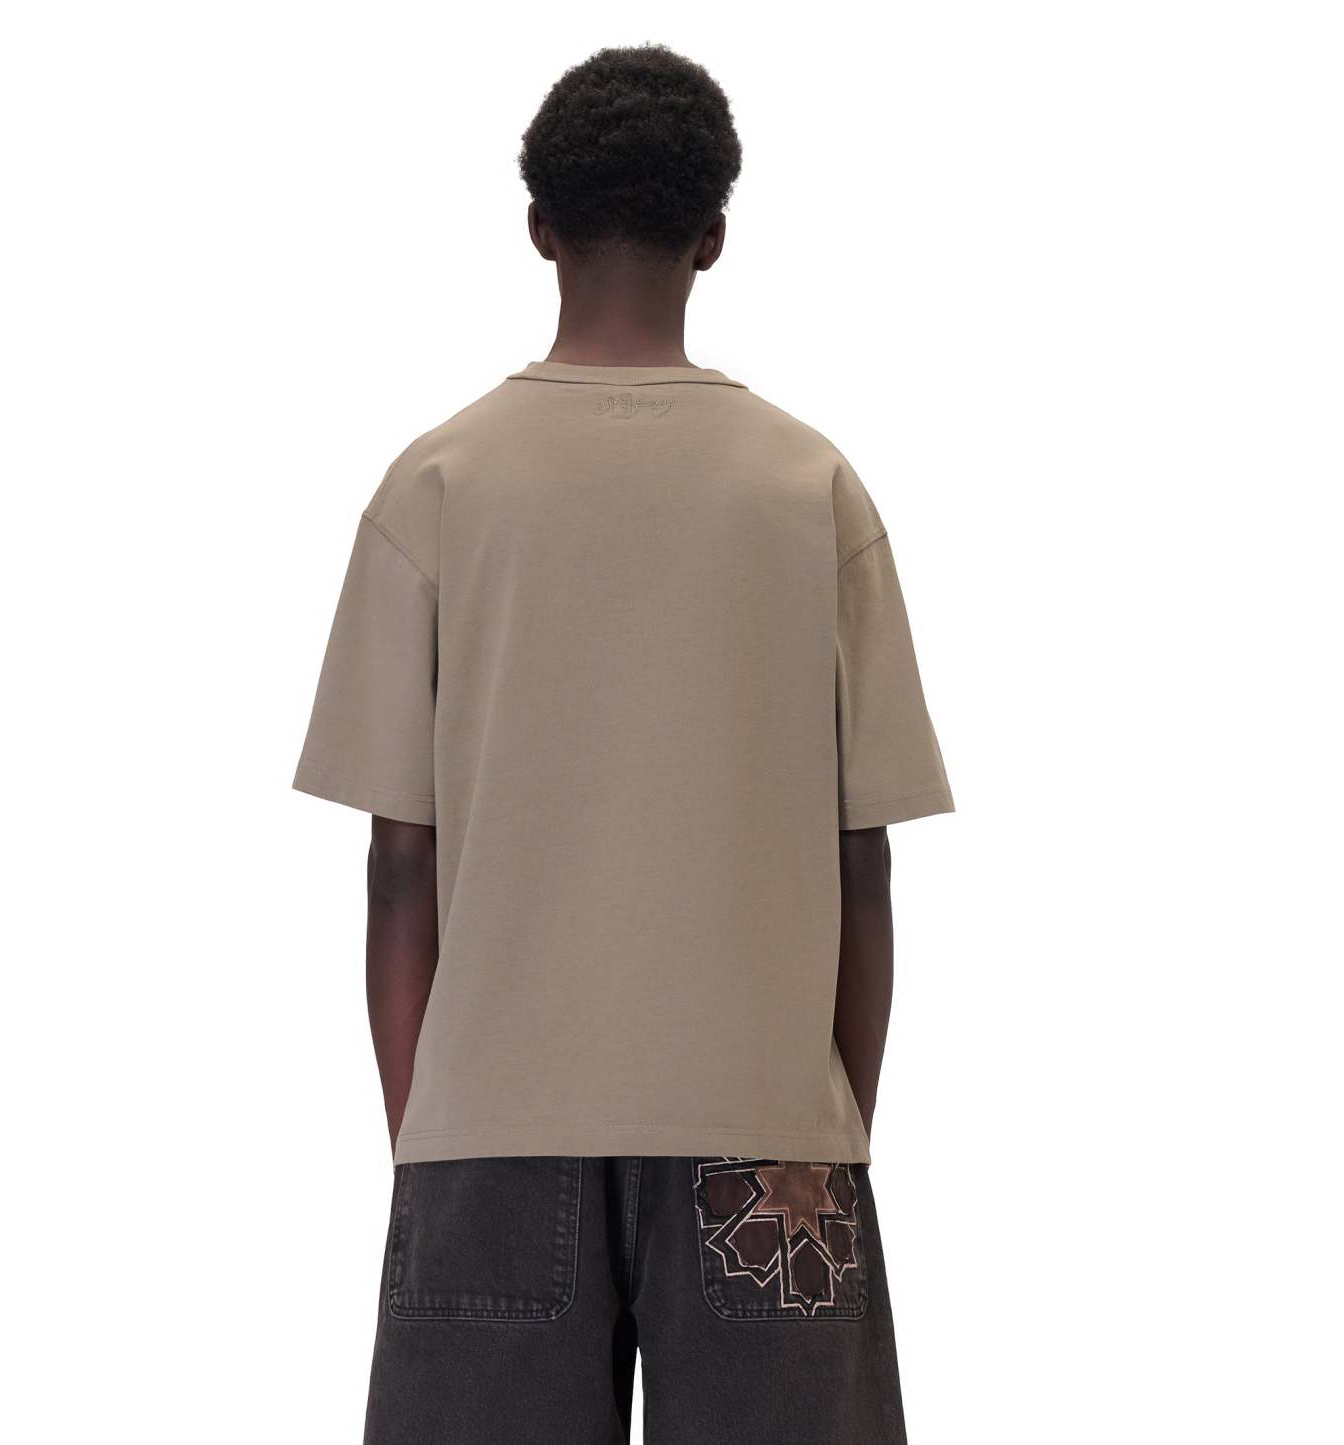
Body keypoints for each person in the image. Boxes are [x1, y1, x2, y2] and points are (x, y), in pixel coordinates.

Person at [294, 43, 952, 1445]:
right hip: (767, 1136)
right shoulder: (810, 489)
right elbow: (865, 865)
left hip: (488, 1127)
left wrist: (432, 1129)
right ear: (713, 235)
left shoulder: (438, 484)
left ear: (537, 226)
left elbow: (399, 864)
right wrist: (826, 1124)